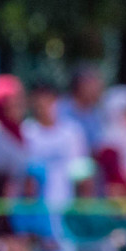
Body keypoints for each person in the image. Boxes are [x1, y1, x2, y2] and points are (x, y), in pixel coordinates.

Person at [23, 80, 90, 210]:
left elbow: (82, 173)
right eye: (38, 102)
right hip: (37, 208)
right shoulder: (26, 131)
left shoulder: (73, 131)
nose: (43, 106)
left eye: (48, 101)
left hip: (68, 206)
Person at [58, 64, 106, 150]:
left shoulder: (96, 113)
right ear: (81, 85)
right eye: (94, 84)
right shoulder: (60, 109)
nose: (98, 89)